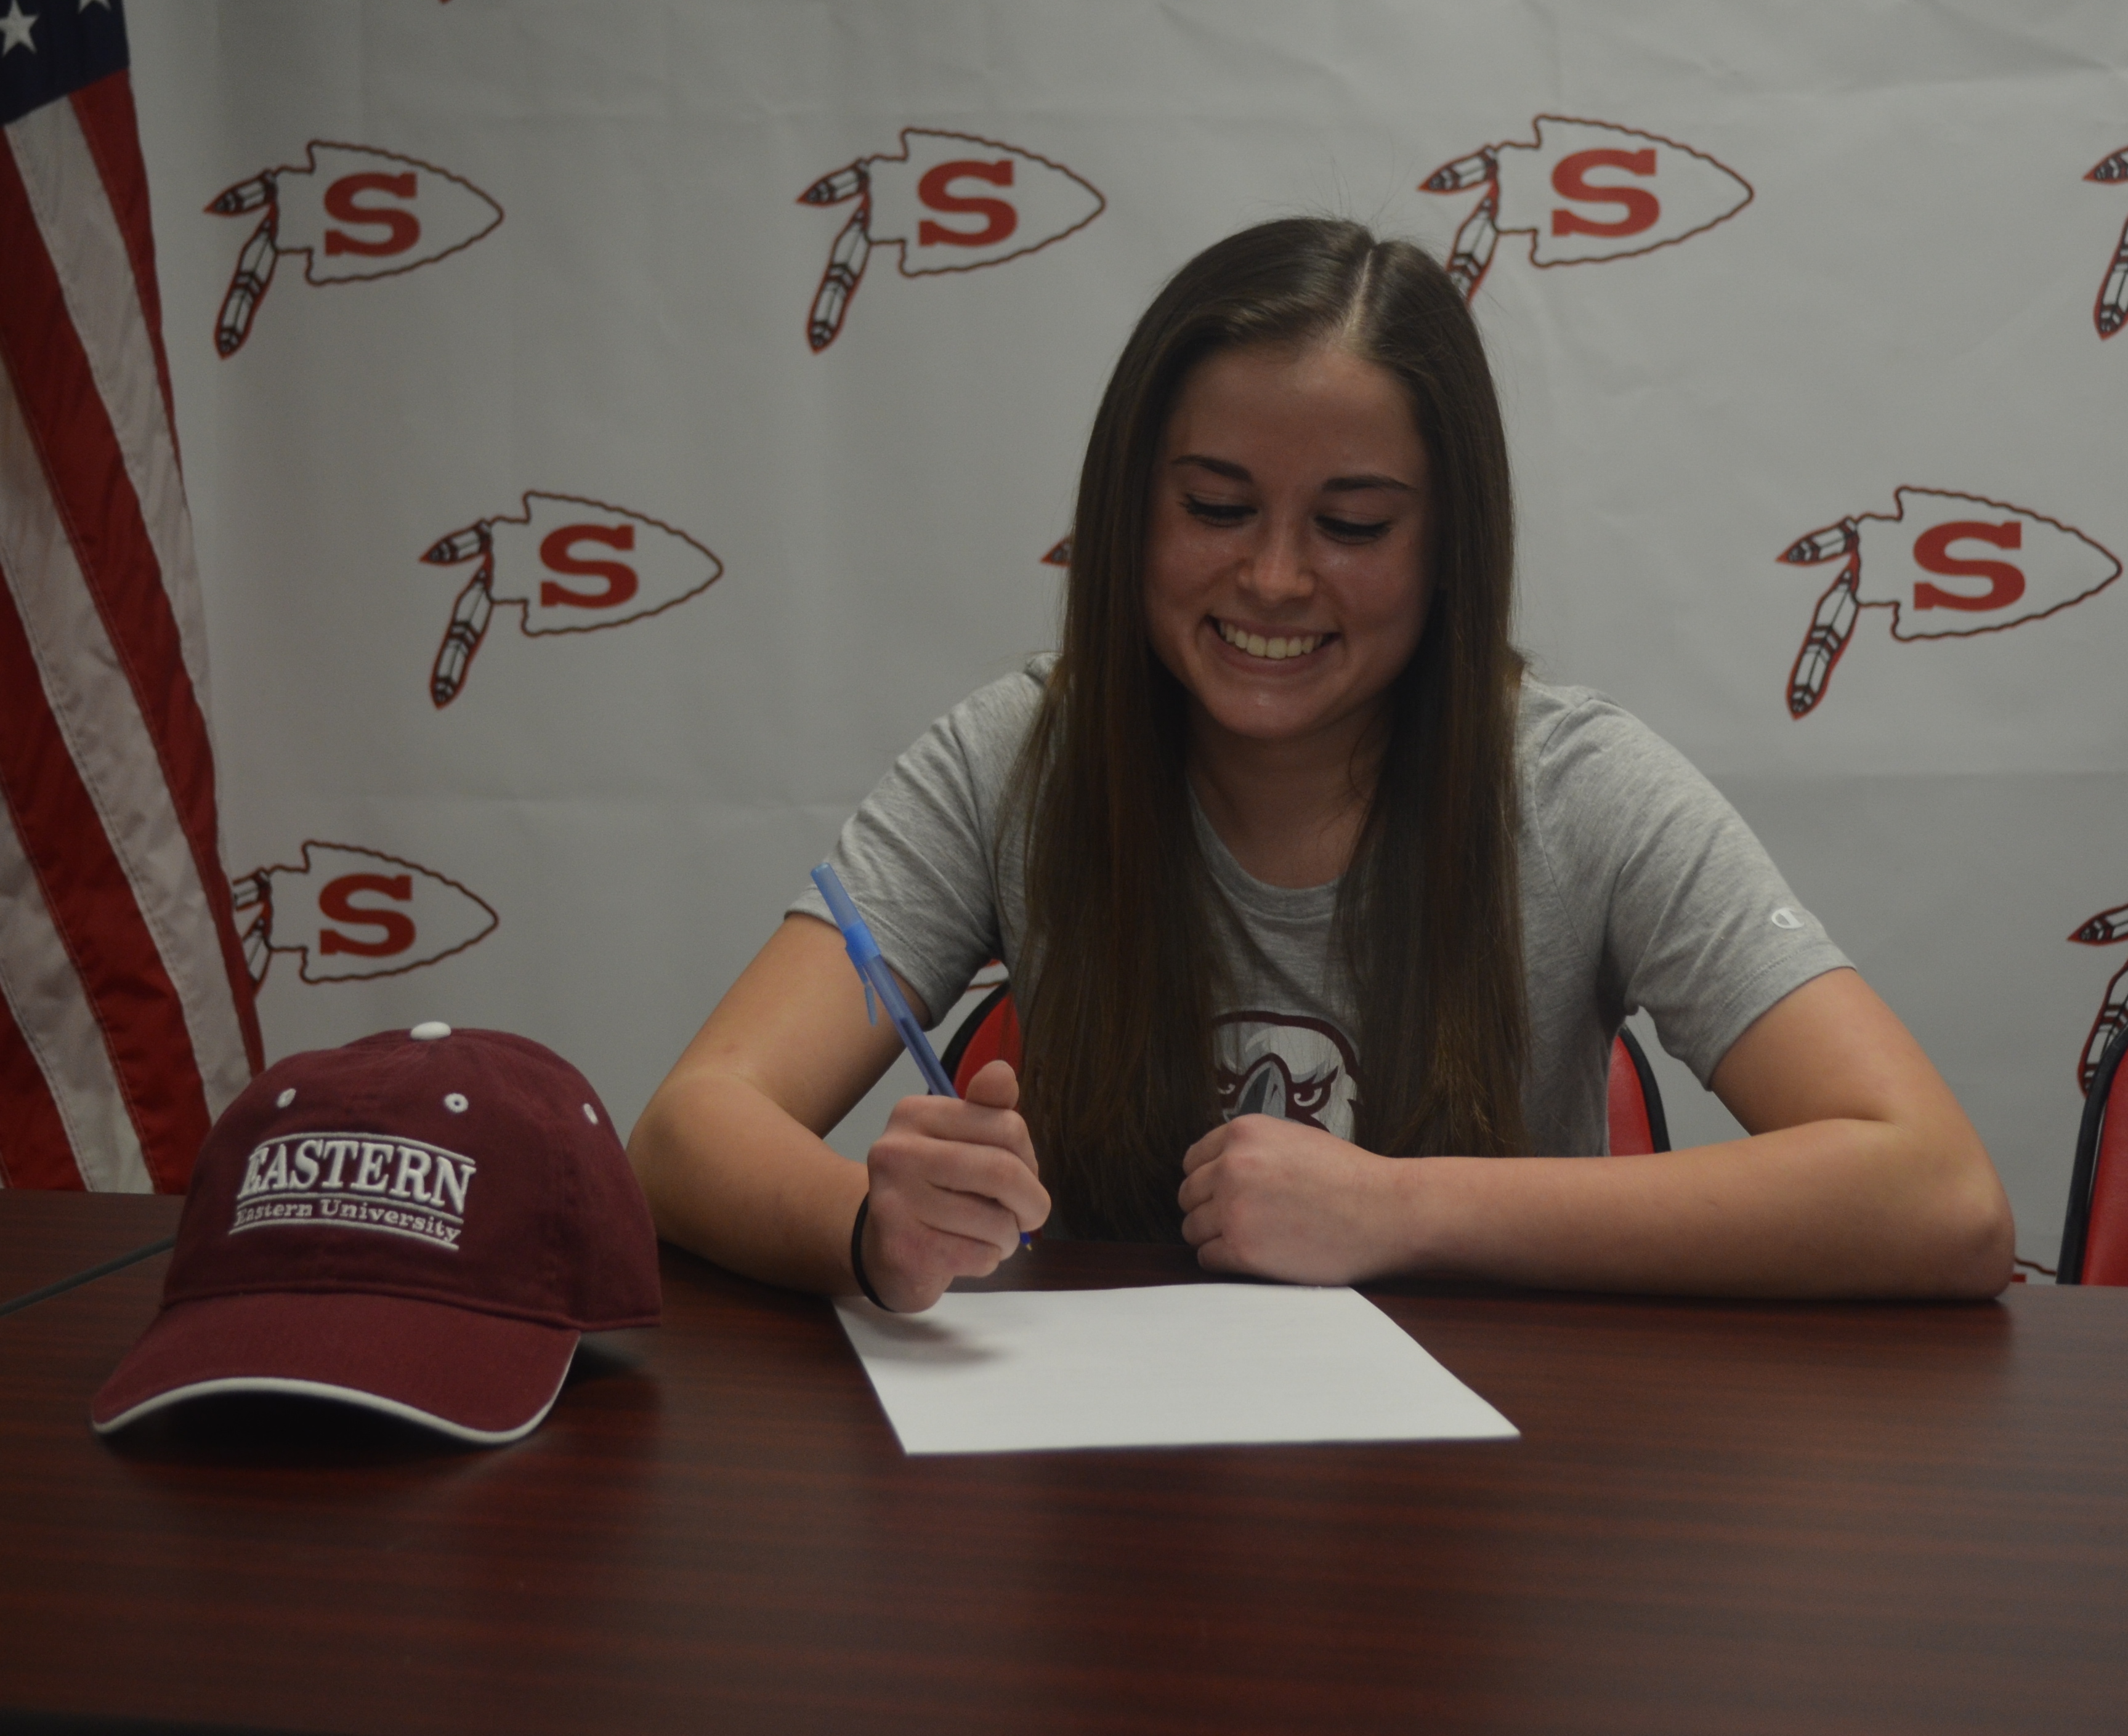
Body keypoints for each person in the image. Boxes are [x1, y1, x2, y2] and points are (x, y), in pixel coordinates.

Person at [628, 217, 2014, 1313]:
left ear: (1449, 546)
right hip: (1103, 1506)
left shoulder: (1577, 789)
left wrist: (1404, 1209)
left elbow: (1939, 1196)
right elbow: (689, 1131)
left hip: (1487, 1511)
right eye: (1215, 507)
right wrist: (873, 1230)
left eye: (1353, 525)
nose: (1277, 578)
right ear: (1129, 512)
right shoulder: (1018, 757)